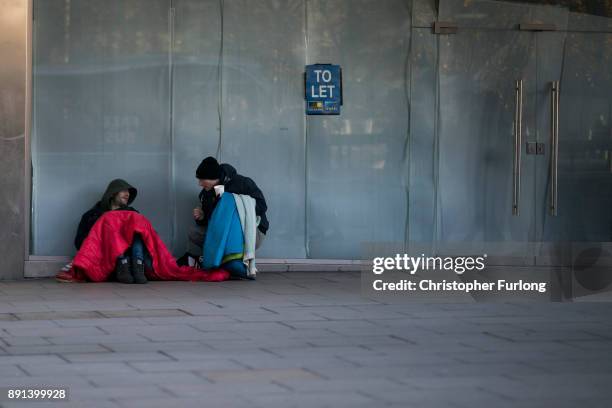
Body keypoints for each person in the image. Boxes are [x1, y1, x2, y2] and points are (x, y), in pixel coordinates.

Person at [180, 156, 269, 266]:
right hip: (224, 232)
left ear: (213, 178)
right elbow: (212, 222)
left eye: (202, 180)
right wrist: (202, 217)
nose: (200, 184)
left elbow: (262, 206)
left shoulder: (242, 183)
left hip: (249, 230)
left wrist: (233, 206)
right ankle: (221, 260)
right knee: (195, 232)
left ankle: (226, 261)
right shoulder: (206, 194)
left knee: (227, 234)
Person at [73, 179, 149, 284]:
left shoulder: (132, 214)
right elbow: (79, 242)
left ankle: (138, 265)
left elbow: (149, 237)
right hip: (105, 258)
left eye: (128, 192)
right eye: (123, 190)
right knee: (111, 225)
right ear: (113, 193)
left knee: (137, 227)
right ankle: (122, 264)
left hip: (131, 259)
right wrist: (101, 236)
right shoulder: (92, 215)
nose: (127, 194)